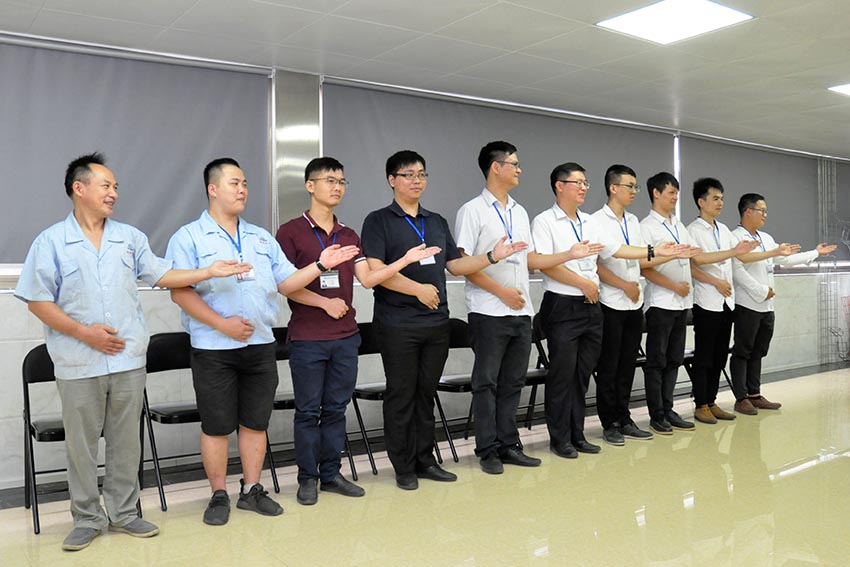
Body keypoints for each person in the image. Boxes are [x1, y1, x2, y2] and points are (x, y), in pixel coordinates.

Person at [15, 152, 251, 551]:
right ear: (79, 188)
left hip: (127, 359)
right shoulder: (52, 241)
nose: (113, 193)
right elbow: (37, 300)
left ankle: (124, 513)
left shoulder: (129, 237)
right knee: (81, 445)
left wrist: (208, 271)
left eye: (116, 187)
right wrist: (84, 333)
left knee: (126, 441)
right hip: (78, 361)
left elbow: (163, 274)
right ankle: (87, 518)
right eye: (106, 186)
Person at [166, 157, 359, 525]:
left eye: (245, 184)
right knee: (217, 425)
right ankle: (218, 495)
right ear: (212, 189)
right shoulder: (189, 237)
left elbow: (286, 284)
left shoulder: (260, 237)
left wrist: (320, 265)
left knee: (255, 422)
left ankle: (252, 489)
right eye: (234, 183)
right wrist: (222, 324)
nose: (242, 190)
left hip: (259, 345)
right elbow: (180, 291)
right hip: (214, 347)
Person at [276, 157, 439, 505]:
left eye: (341, 182)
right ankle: (308, 479)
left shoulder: (348, 234)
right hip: (308, 338)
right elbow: (285, 285)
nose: (337, 187)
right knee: (309, 411)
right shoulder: (290, 231)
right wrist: (323, 297)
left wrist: (403, 261)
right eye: (330, 181)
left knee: (336, 409)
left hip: (345, 338)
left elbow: (367, 279)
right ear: (310, 186)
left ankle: (331, 474)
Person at [361, 150, 526, 490]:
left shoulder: (435, 221)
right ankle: (403, 466)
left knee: (426, 394)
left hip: (435, 323)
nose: (416, 181)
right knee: (402, 394)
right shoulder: (378, 220)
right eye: (408, 175)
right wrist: (417, 290)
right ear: (392, 180)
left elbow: (455, 265)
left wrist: (491, 256)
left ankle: (425, 459)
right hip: (397, 324)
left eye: (421, 174)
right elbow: (377, 271)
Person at [529, 163, 686, 458]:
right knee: (563, 374)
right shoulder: (544, 221)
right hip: (564, 302)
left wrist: (655, 252)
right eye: (577, 182)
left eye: (585, 182)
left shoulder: (589, 222)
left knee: (582, 375)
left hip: (591, 305)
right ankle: (560, 438)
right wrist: (583, 283)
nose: (583, 188)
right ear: (559, 186)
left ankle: (577, 435)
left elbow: (614, 250)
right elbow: (541, 263)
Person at [729, 193, 835, 414]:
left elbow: (785, 259)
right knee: (742, 351)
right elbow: (737, 271)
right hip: (747, 304)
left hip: (767, 306)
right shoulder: (735, 238)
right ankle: (741, 398)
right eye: (762, 210)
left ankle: (754, 394)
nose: (765, 215)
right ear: (748, 211)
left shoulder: (766, 238)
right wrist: (761, 291)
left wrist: (815, 252)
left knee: (758, 351)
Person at [686, 178, 759, 424]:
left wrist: (774, 252)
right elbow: (698, 261)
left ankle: (712, 401)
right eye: (715, 198)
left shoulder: (723, 229)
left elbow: (741, 257)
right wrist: (716, 280)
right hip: (707, 302)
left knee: (719, 356)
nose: (720, 203)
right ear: (701, 201)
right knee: (704, 356)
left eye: (722, 198)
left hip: (726, 303)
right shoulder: (693, 230)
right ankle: (700, 404)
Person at [592, 165, 654, 446]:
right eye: (630, 186)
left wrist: (668, 254)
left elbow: (640, 257)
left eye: (635, 186)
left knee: (628, 364)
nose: (634, 191)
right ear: (613, 187)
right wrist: (623, 285)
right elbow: (599, 263)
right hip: (611, 302)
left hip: (633, 303)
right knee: (609, 365)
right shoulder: (596, 221)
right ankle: (610, 422)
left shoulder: (633, 221)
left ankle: (625, 417)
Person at [639, 172, 702, 436]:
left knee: (674, 359)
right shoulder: (646, 226)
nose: (676, 197)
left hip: (681, 304)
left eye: (677, 193)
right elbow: (644, 267)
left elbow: (688, 255)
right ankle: (656, 414)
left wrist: (692, 253)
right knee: (657, 361)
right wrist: (674, 286)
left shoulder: (679, 225)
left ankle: (668, 409)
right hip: (661, 303)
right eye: (671, 192)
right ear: (656, 193)